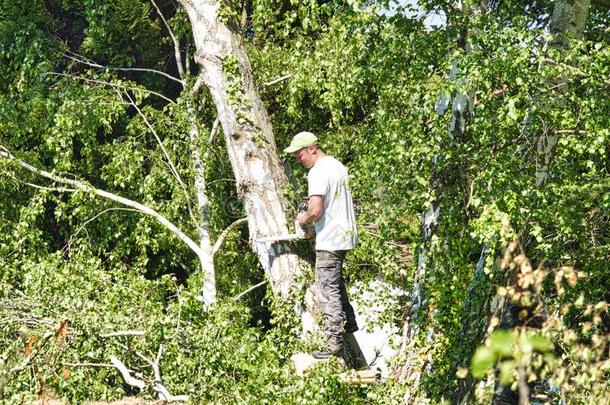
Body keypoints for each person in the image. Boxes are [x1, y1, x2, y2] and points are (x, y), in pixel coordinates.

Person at [283, 131, 359, 359]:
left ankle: (333, 342)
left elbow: (315, 210)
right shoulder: (337, 166)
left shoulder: (317, 172)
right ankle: (349, 323)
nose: (299, 159)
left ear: (312, 148)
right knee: (335, 281)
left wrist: (302, 219)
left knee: (327, 289)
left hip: (330, 239)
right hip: (345, 235)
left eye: (300, 155)